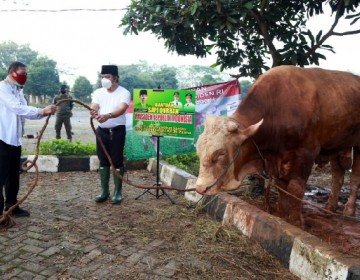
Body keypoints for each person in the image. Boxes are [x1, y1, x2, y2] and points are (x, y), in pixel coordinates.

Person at [0, 61, 57, 218]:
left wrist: (43, 113)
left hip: (14, 139)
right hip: (2, 137)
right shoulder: (2, 88)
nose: (25, 76)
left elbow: (25, 112)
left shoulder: (18, 90)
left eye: (26, 73)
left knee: (13, 175)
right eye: (22, 73)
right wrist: (40, 110)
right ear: (12, 72)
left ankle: (12, 205)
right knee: (1, 175)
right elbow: (16, 108)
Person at [90, 65, 131, 204]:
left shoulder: (123, 92)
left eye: (107, 77)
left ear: (115, 78)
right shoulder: (98, 92)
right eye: (102, 77)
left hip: (117, 131)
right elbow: (94, 104)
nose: (104, 80)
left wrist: (108, 115)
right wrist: (94, 111)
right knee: (103, 160)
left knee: (117, 161)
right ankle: (104, 191)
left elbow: (122, 109)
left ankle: (118, 192)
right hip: (102, 131)